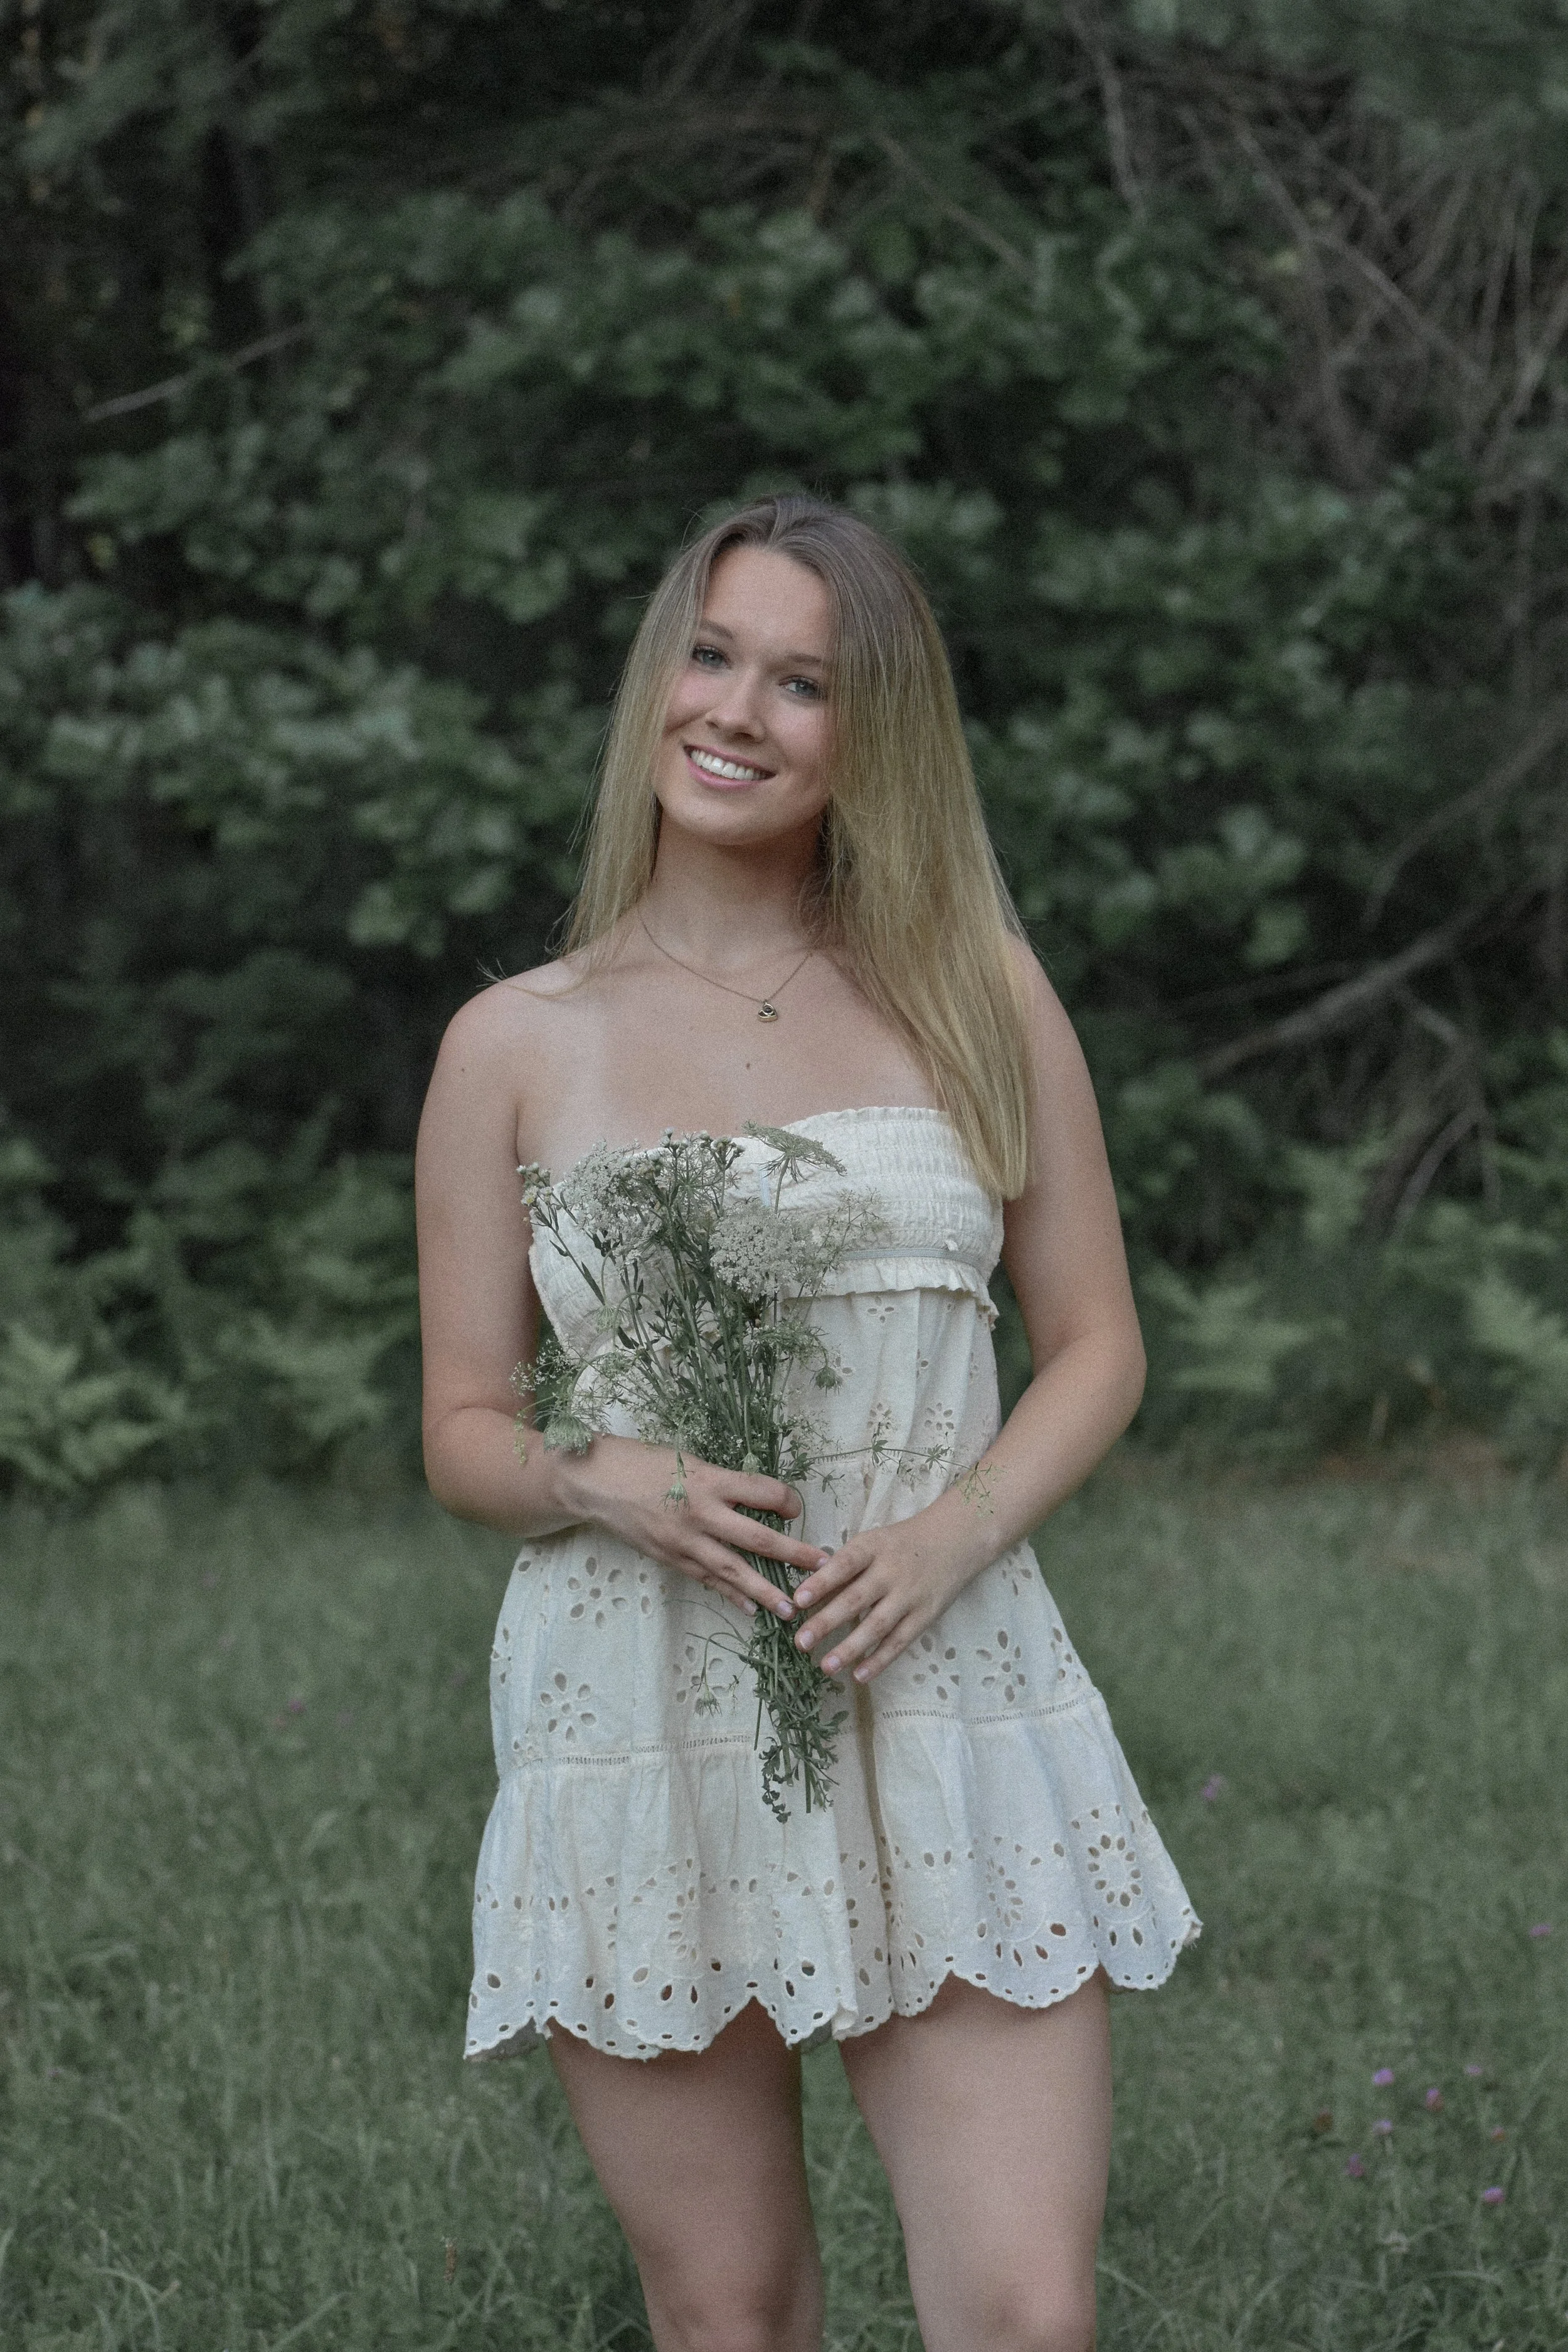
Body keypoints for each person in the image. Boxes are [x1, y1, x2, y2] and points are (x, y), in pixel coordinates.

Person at [415, 494, 1198, 2352]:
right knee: (733, 2315)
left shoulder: (970, 988)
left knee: (1024, 2315)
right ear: (653, 683)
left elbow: (1095, 1341)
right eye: (710, 656)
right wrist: (600, 1478)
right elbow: (458, 1424)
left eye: (802, 683)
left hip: (945, 1678)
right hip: (642, 1707)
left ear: (875, 734)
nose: (737, 713)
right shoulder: (514, 1041)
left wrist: (952, 1532)